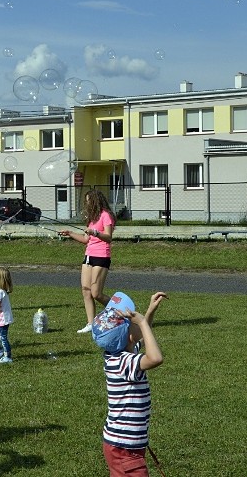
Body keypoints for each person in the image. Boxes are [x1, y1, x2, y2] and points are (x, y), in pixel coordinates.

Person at [92, 291, 167, 477]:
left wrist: (149, 312)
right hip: (125, 449)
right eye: (132, 325)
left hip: (122, 445)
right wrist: (141, 322)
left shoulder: (117, 355)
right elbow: (156, 358)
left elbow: (140, 338)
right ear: (128, 337)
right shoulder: (126, 363)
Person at [58, 189, 116, 334]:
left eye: (89, 200)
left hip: (101, 256)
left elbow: (108, 237)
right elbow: (85, 239)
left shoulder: (106, 216)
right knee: (86, 290)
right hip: (89, 256)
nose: (87, 203)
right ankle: (91, 323)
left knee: (96, 293)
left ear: (96, 201)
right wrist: (70, 233)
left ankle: (119, 311)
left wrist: (95, 232)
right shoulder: (91, 218)